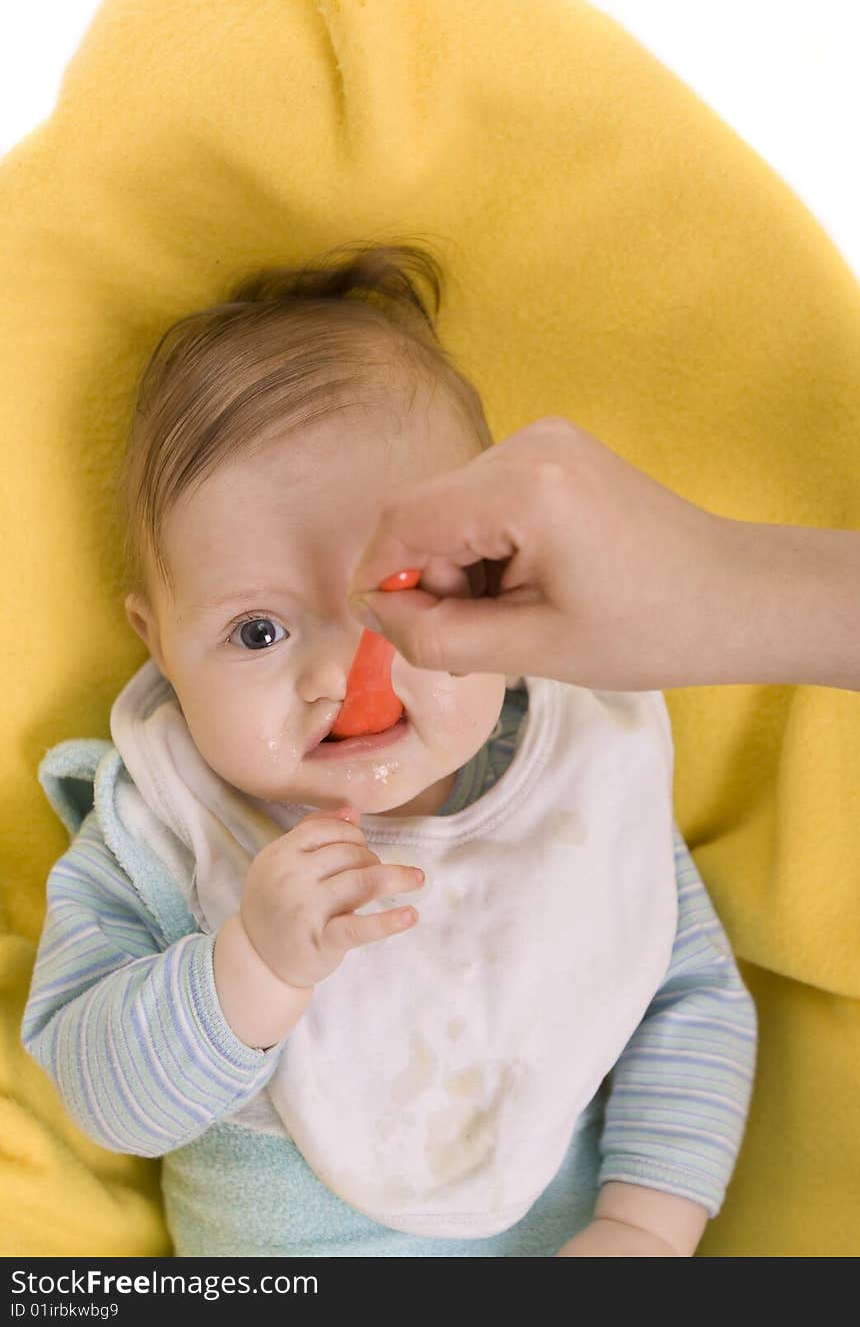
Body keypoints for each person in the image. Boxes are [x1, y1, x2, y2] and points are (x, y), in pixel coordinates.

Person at [22, 241, 756, 1258]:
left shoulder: (577, 780)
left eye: (400, 595)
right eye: (257, 633)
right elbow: (99, 1096)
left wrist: (645, 1224)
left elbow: (690, 1004)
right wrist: (247, 973)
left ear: (497, 577)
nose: (341, 674)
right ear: (157, 643)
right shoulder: (159, 831)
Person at [345, 414, 860, 696]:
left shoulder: (601, 735)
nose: (334, 672)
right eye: (260, 632)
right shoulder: (259, 856)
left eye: (413, 587)